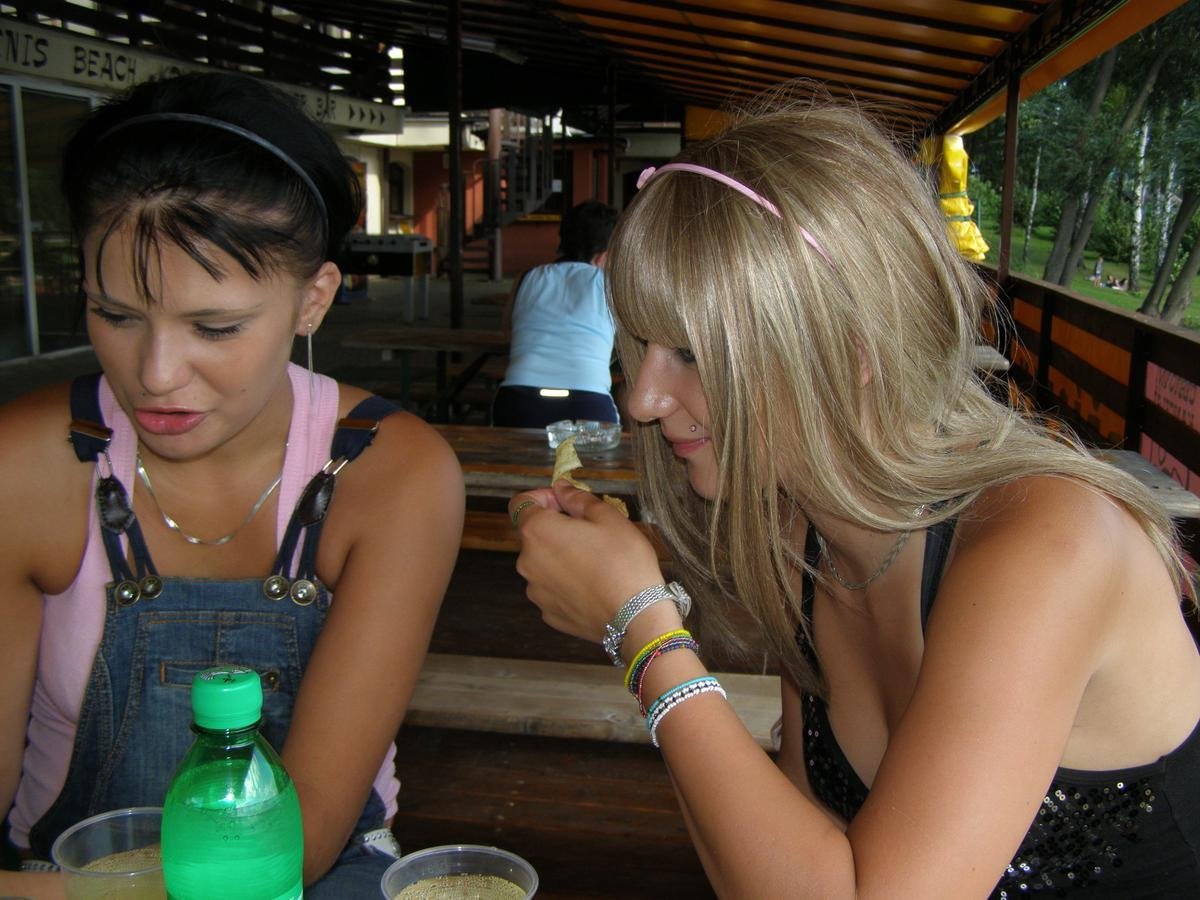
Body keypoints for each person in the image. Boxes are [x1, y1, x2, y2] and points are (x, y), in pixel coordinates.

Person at [508, 93, 1200, 896]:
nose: (642, 400)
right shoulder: (799, 532)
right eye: (642, 344)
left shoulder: (1052, 544)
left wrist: (643, 631)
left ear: (854, 346)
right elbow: (779, 870)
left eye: (693, 352)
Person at [0, 72, 464, 897]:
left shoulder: (391, 475)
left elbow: (299, 842)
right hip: (62, 871)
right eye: (116, 315)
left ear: (313, 300)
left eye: (215, 327)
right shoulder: (24, 465)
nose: (155, 374)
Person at [492, 199, 620, 427]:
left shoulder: (527, 276)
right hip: (588, 404)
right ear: (603, 256)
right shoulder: (609, 284)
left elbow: (507, 333)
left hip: (518, 402)